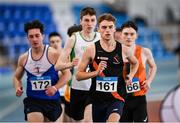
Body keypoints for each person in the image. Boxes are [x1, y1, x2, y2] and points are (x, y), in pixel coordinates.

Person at [76, 13, 139, 122]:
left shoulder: (124, 49)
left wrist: (130, 75)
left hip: (117, 97)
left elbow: (135, 63)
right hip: (97, 98)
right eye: (104, 27)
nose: (107, 30)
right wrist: (96, 72)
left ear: (114, 29)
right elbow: (78, 75)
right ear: (98, 29)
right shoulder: (91, 49)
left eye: (110, 27)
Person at [13, 20, 71, 122]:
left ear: (43, 36)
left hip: (52, 100)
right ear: (27, 38)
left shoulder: (54, 54)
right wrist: (17, 87)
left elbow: (67, 75)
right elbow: (16, 77)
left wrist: (55, 87)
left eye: (37, 35)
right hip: (33, 100)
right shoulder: (23, 58)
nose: (34, 39)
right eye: (31, 36)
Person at [55, 7, 101, 122]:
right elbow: (58, 65)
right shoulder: (73, 39)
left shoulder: (101, 38)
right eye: (86, 20)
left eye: (92, 20)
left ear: (96, 22)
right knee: (77, 120)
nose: (89, 23)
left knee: (89, 120)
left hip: (96, 87)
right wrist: (70, 64)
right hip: (78, 87)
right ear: (81, 21)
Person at [119, 21, 157, 122]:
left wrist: (149, 81)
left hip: (139, 98)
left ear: (136, 35)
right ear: (121, 35)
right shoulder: (114, 53)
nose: (129, 37)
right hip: (120, 99)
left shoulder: (144, 52)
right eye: (126, 34)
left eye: (132, 34)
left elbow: (153, 67)